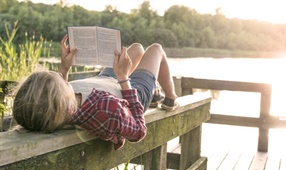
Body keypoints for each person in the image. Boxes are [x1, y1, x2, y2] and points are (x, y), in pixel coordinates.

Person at [12, 34, 178, 150]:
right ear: (66, 103)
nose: (59, 76)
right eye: (59, 79)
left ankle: (155, 89)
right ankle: (170, 98)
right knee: (156, 49)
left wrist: (65, 68)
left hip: (105, 80)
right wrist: (123, 77)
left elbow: (57, 98)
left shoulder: (62, 107)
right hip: (129, 89)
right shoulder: (106, 109)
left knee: (136, 49)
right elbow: (139, 131)